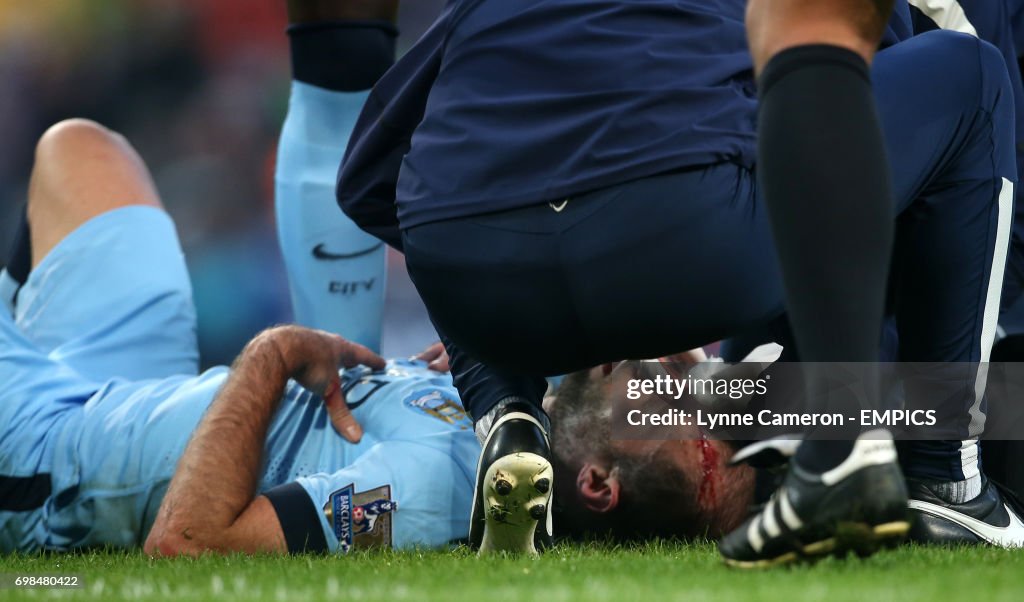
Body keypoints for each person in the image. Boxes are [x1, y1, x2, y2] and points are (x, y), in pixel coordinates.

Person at [337, 1, 1016, 563]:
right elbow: (838, 98)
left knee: (457, 208)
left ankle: (506, 412)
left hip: (484, 293)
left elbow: (365, 182)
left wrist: (515, 259)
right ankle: (941, 477)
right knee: (971, 75)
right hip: (689, 251)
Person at [0, 0, 484, 553]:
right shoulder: (528, 400)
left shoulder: (440, 487)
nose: (606, 363)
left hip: (57, 458)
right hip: (136, 390)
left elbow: (186, 544)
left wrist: (272, 355)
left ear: (601, 485)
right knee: (80, 147)